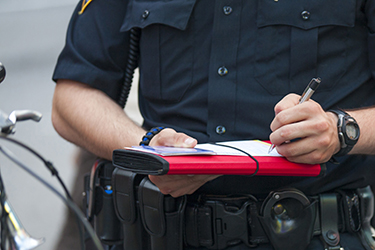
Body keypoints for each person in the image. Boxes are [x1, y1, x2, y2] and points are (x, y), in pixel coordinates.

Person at [51, 0, 375, 249]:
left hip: (313, 232)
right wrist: (148, 148)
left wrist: (340, 130)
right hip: (163, 232)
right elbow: (72, 99)